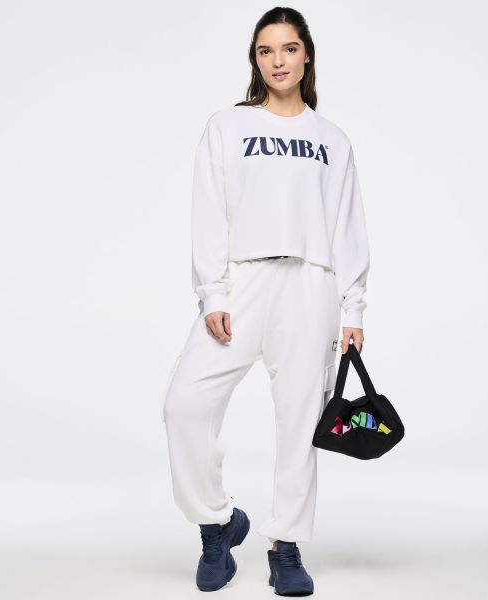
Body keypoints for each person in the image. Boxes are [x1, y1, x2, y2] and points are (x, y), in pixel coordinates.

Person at [162, 7, 370, 595]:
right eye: (265, 50)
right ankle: (218, 523)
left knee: (301, 420)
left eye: (288, 48)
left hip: (311, 285)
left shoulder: (332, 140)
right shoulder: (228, 126)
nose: (278, 60)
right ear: (255, 60)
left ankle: (286, 545)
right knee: (184, 405)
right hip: (243, 282)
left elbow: (348, 226)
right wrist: (212, 293)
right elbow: (209, 210)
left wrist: (353, 309)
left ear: (307, 55)